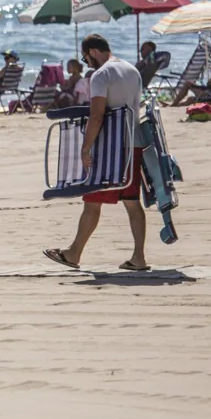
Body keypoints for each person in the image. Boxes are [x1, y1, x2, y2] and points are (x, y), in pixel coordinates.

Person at [44, 34, 149, 271]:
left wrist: (86, 148)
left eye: (85, 58)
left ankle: (73, 254)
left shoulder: (101, 75)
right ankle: (139, 257)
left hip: (110, 147)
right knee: (132, 201)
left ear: (92, 51)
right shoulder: (132, 70)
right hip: (133, 142)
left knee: (92, 201)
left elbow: (97, 115)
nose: (87, 63)